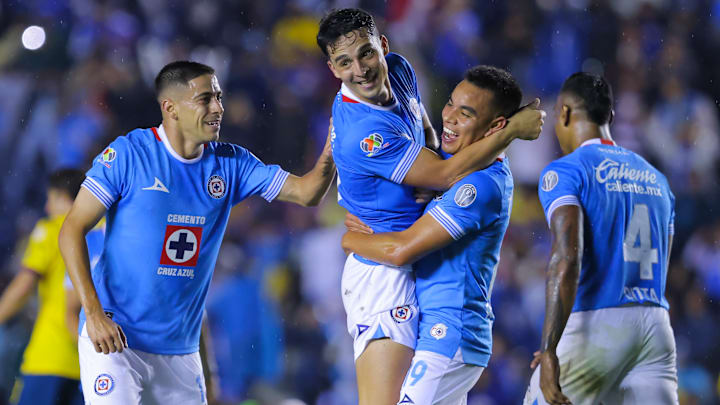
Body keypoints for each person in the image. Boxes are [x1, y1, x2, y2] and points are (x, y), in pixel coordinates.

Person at [58, 61, 336, 405]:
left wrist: (333, 144)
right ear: (170, 108)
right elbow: (71, 229)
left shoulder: (232, 164)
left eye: (218, 97)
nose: (218, 108)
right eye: (205, 99)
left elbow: (307, 193)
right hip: (117, 341)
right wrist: (95, 314)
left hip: (180, 350)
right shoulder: (130, 154)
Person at [316, 8, 544, 404]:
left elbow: (427, 134)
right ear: (332, 69)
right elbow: (441, 176)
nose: (361, 69)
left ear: (383, 47)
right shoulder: (363, 132)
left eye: (367, 54)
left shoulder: (400, 71)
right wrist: (508, 135)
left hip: (410, 271)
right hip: (382, 270)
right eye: (344, 62)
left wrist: (431, 163)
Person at [341, 65, 520, 405]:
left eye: (465, 114)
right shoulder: (459, 168)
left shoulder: (478, 186)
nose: (449, 118)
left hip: (451, 333)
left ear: (496, 127)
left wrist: (349, 240)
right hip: (440, 332)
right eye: (450, 103)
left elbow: (401, 250)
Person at [523, 72, 678, 405]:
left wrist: (550, 349)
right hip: (655, 325)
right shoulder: (657, 180)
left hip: (598, 322)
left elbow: (567, 257)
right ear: (610, 115)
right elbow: (663, 265)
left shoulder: (566, 171)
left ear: (563, 112)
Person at [0, 169, 88, 405]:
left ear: (62, 197)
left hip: (49, 356)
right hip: (88, 364)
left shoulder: (50, 231)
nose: (48, 208)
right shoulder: (101, 231)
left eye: (50, 199)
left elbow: (23, 286)